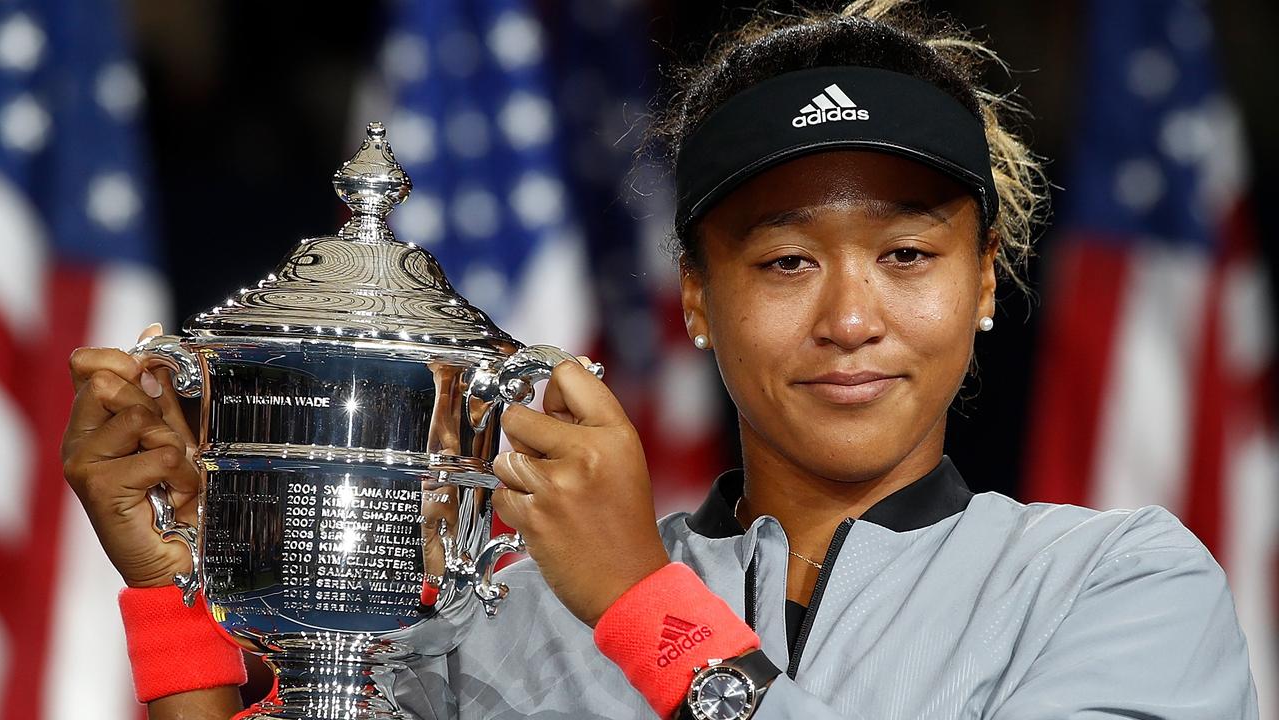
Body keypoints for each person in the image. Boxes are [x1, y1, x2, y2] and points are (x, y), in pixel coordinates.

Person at [61, 2, 1258, 719]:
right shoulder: (501, 624)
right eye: (783, 262)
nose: (850, 317)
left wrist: (644, 608)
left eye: (904, 254)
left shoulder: (1119, 583)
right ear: (694, 299)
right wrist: (175, 591)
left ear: (983, 281)